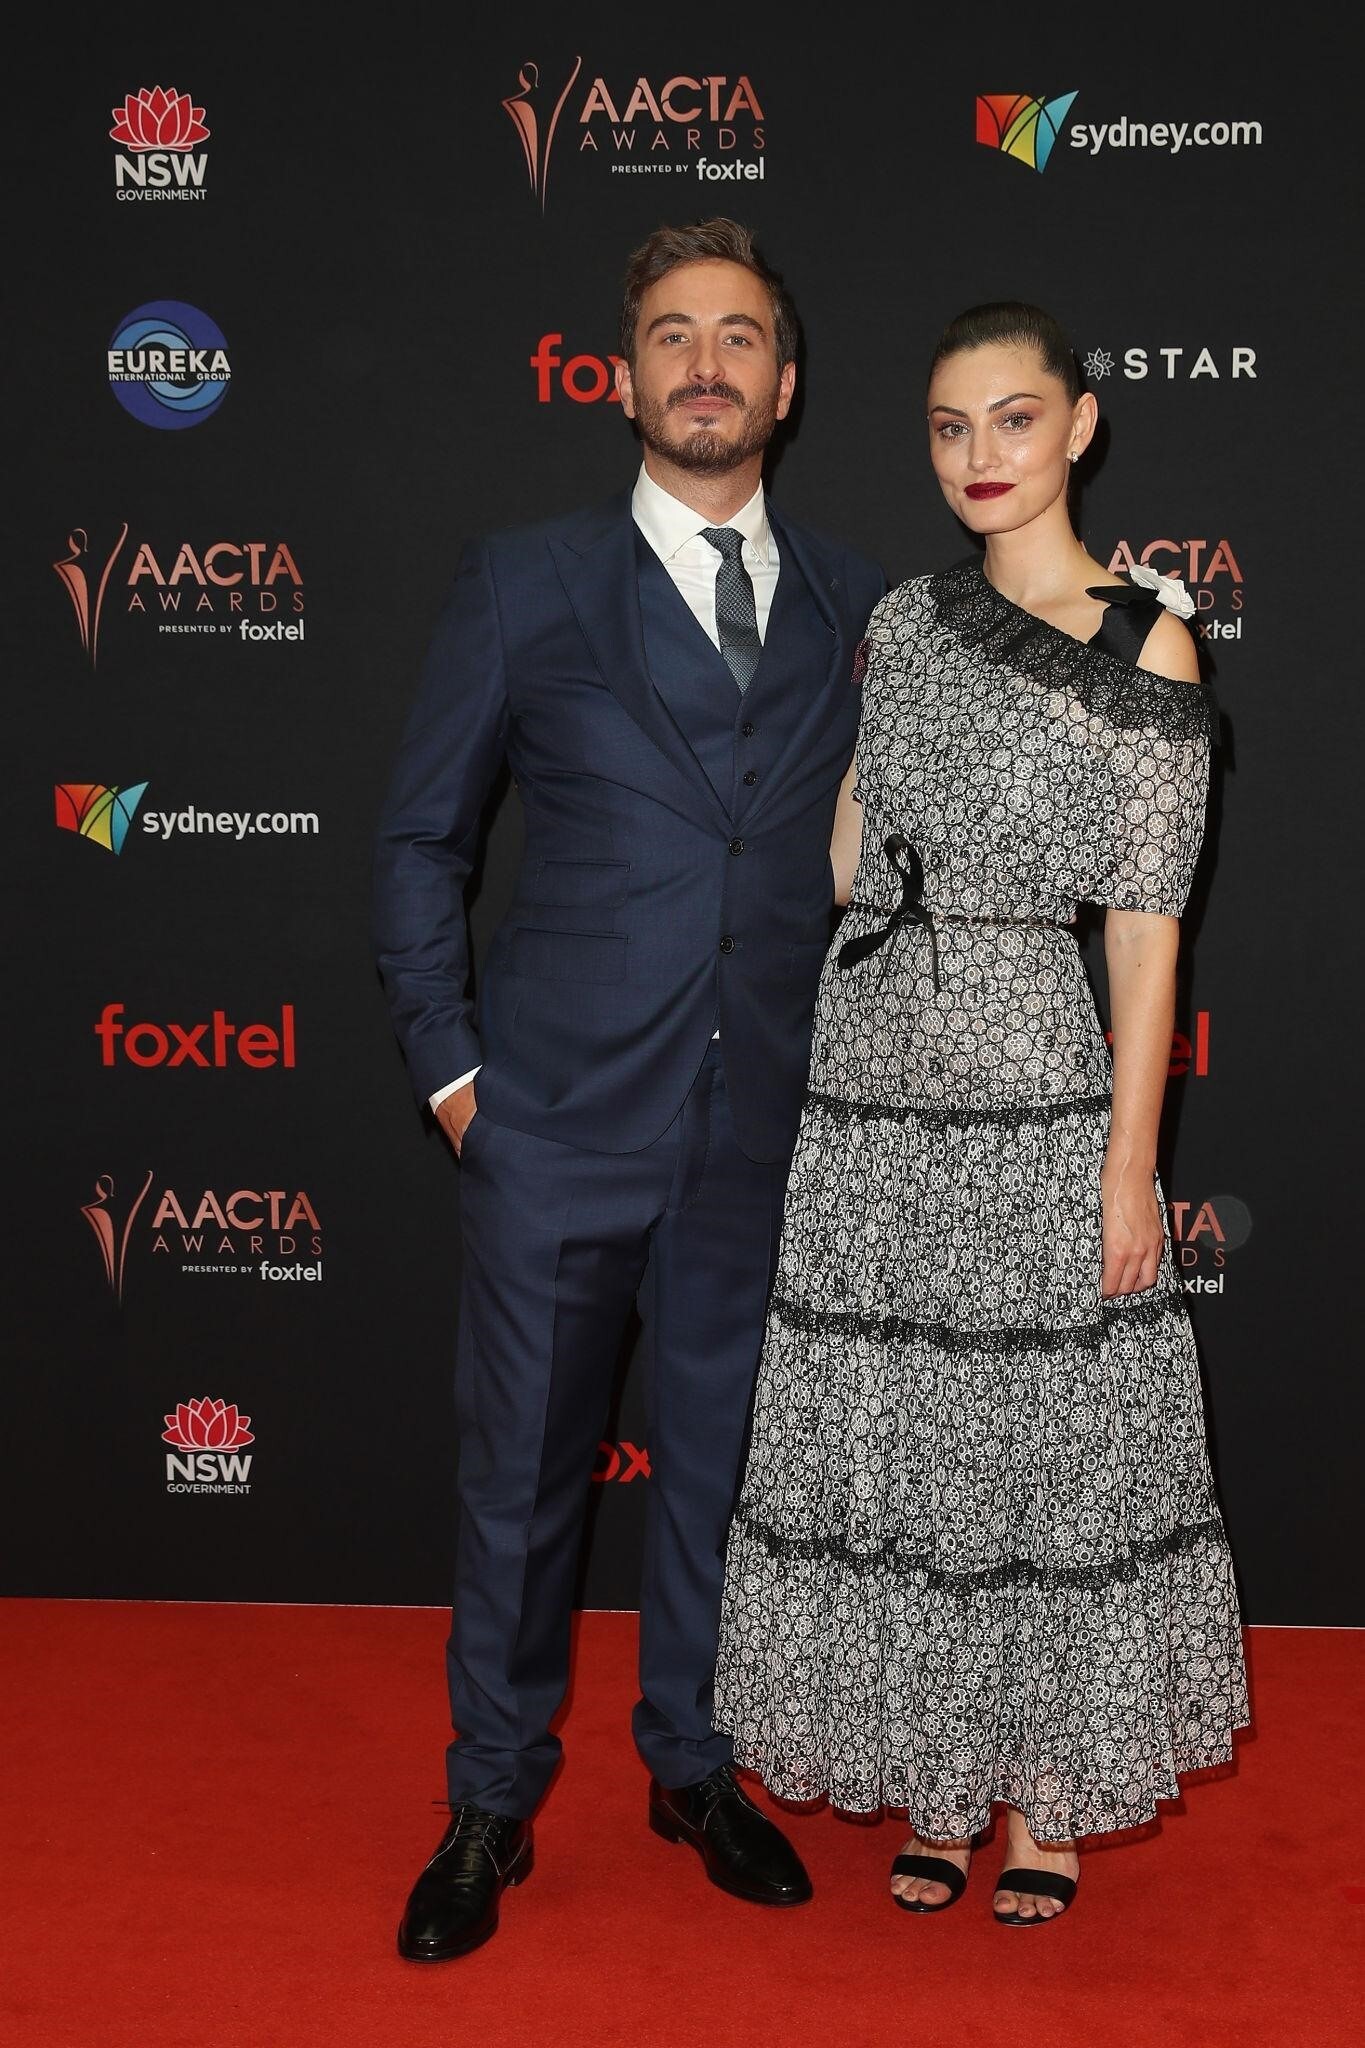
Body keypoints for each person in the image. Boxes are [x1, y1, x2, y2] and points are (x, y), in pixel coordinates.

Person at [373, 217, 885, 1961]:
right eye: (672, 333)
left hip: (763, 1127)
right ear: (619, 378)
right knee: (518, 1479)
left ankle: (695, 1764)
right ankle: (489, 1798)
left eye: (738, 335)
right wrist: (456, 1077)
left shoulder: (854, 602)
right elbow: (422, 840)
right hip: (551, 1124)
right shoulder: (522, 581)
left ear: (785, 384)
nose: (705, 363)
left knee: (725, 1474)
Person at [714, 301, 1248, 1925]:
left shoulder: (1142, 641)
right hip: (869, 1078)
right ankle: (941, 1784)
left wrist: (1130, 1168)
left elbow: (1145, 933)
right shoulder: (907, 616)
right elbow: (846, 850)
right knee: (905, 1442)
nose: (979, 457)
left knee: (1032, 1449)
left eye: (1012, 420)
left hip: (1026, 1077)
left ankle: (1042, 1803)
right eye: (950, 428)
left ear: (1077, 426)